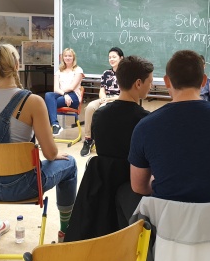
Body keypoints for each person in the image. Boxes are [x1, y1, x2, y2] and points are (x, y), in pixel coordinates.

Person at [0, 44, 77, 243]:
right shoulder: (33, 101)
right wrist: (55, 155)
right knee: (70, 163)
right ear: (17, 65)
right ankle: (66, 231)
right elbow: (50, 153)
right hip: (21, 187)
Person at [129, 50, 210, 203]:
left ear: (167, 81)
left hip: (167, 216)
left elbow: (139, 187)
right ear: (204, 81)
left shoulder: (145, 127)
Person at [65, 56, 153, 241]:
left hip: (99, 188)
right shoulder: (145, 120)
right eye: (150, 82)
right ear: (138, 83)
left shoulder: (99, 115)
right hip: (130, 188)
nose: (151, 86)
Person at [81, 47, 124, 157]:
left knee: (102, 110)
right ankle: (88, 139)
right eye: (109, 57)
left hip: (118, 99)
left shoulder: (126, 74)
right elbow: (102, 90)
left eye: (114, 57)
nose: (111, 59)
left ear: (121, 58)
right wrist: (103, 98)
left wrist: (108, 100)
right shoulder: (106, 73)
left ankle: (101, 139)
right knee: (90, 107)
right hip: (105, 98)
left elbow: (125, 94)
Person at [44, 48, 84, 135]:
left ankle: (50, 126)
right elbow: (55, 89)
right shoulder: (58, 72)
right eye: (65, 56)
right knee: (48, 95)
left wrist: (64, 93)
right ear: (63, 58)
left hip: (73, 97)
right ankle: (55, 125)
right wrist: (65, 94)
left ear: (73, 58)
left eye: (70, 56)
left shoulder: (78, 70)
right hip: (62, 95)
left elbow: (72, 87)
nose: (67, 58)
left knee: (48, 104)